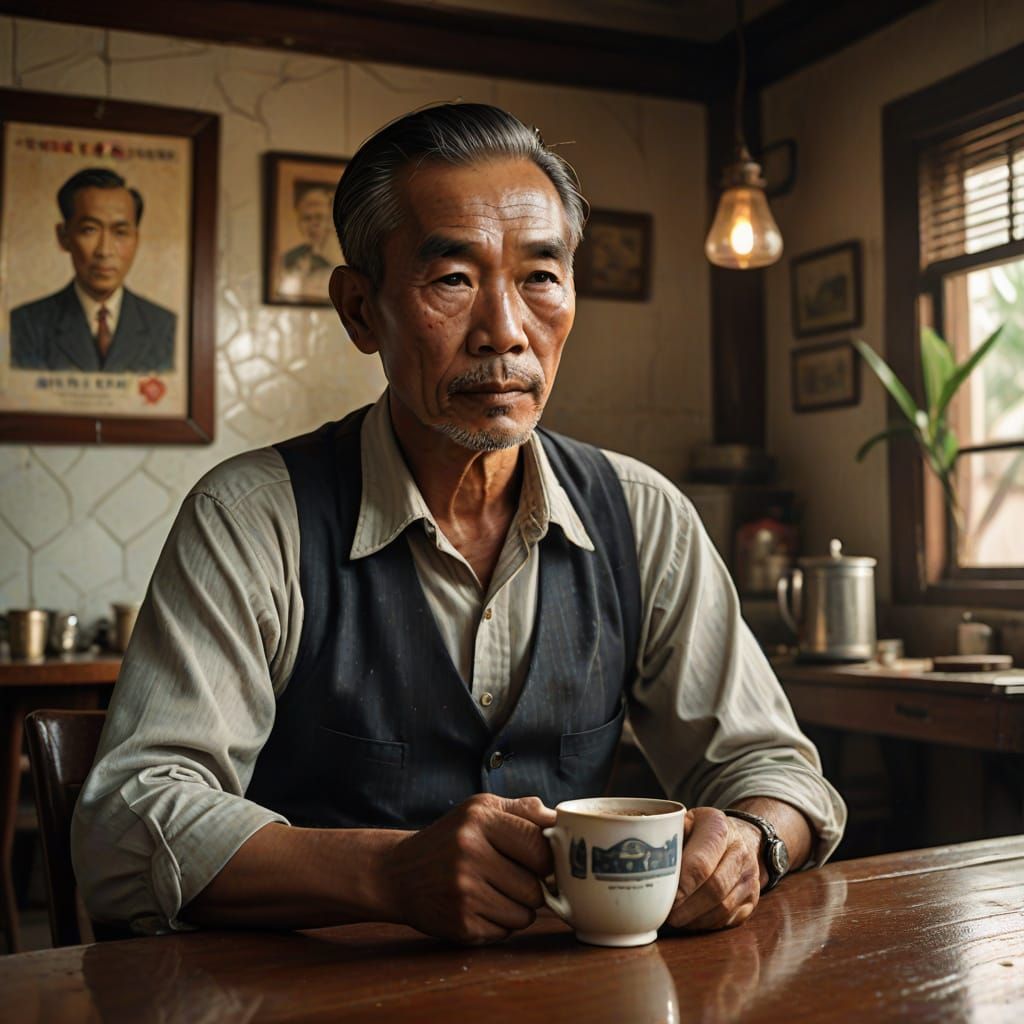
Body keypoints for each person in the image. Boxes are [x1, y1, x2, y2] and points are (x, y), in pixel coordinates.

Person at [72, 104, 845, 944]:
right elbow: (124, 825)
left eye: (540, 277)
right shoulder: (254, 518)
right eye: (452, 279)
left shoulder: (641, 513)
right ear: (360, 310)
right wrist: (384, 874)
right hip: (306, 991)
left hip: (574, 990)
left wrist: (754, 841)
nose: (505, 333)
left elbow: (775, 770)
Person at [9, 167, 176, 373]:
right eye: (89, 230)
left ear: (136, 239)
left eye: (120, 232)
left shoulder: (166, 327)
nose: (104, 251)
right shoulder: (26, 325)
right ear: (63, 236)